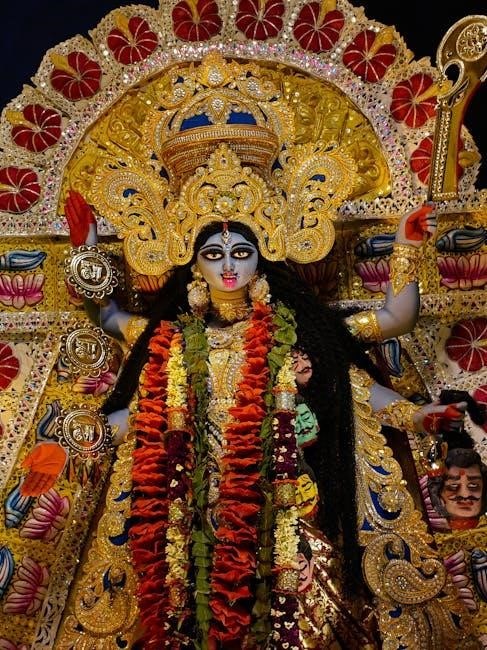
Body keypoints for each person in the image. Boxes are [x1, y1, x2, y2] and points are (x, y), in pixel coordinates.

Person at [56, 173, 469, 648]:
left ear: (262, 260)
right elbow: (126, 371)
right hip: (193, 511)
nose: (229, 265)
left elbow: (391, 326)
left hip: (283, 505)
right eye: (214, 255)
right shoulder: (173, 342)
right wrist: (80, 438)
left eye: (240, 252)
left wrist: (406, 247)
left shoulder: (296, 333)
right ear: (195, 266)